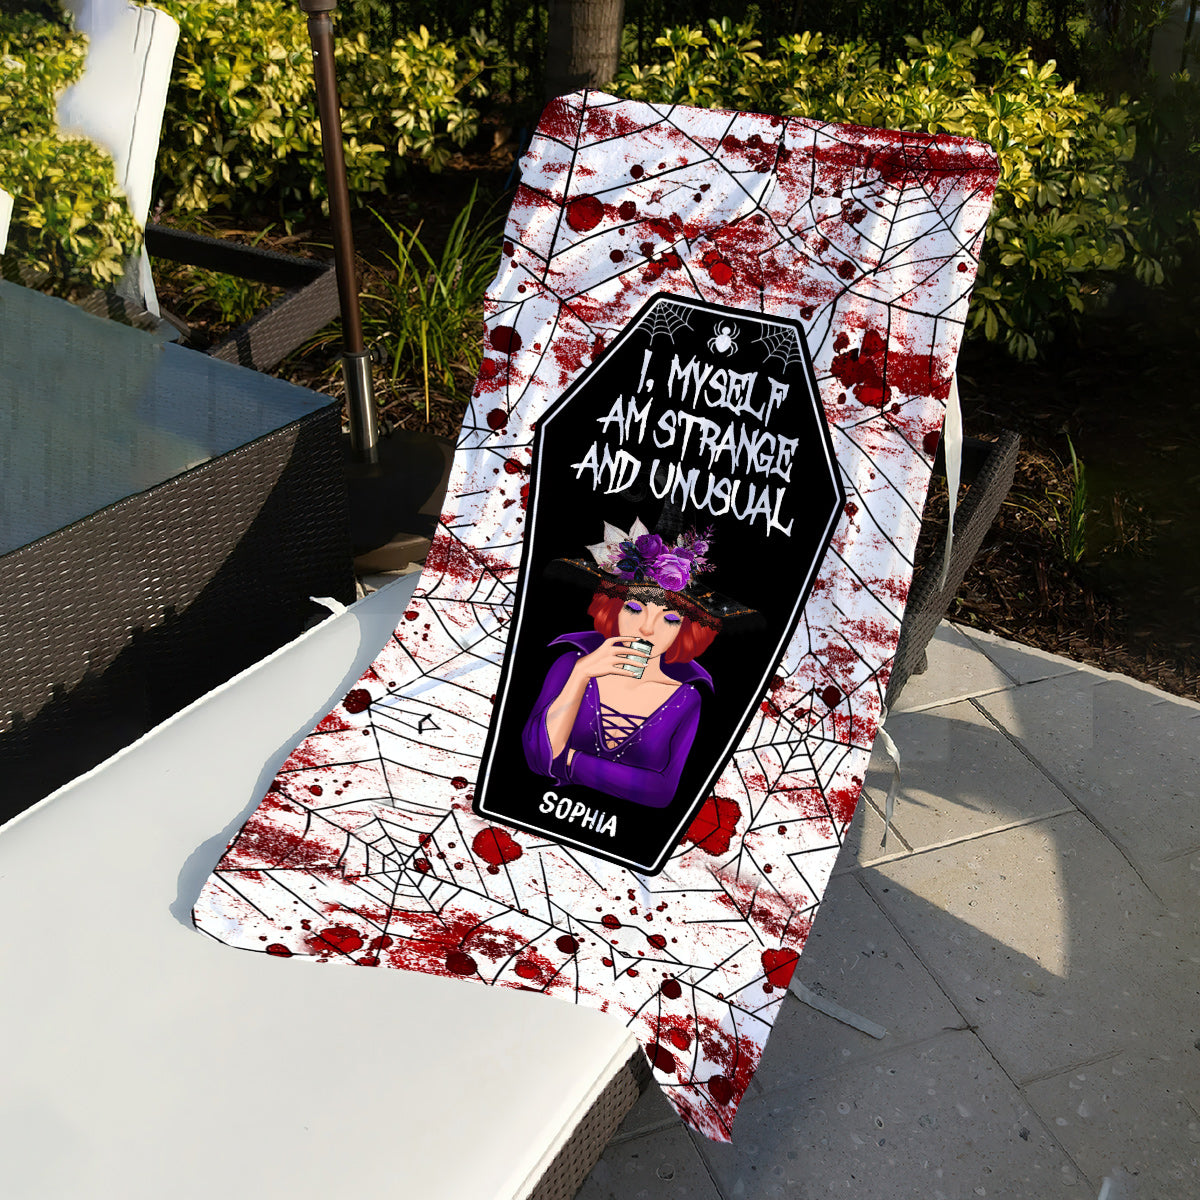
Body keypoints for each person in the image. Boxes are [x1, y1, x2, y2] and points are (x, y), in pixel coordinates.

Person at [522, 518, 752, 809]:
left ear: (686, 630)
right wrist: (581, 675)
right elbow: (537, 757)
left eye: (670, 618)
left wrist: (568, 759)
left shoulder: (686, 699)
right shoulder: (571, 666)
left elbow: (661, 791)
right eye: (634, 608)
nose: (646, 629)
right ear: (614, 608)